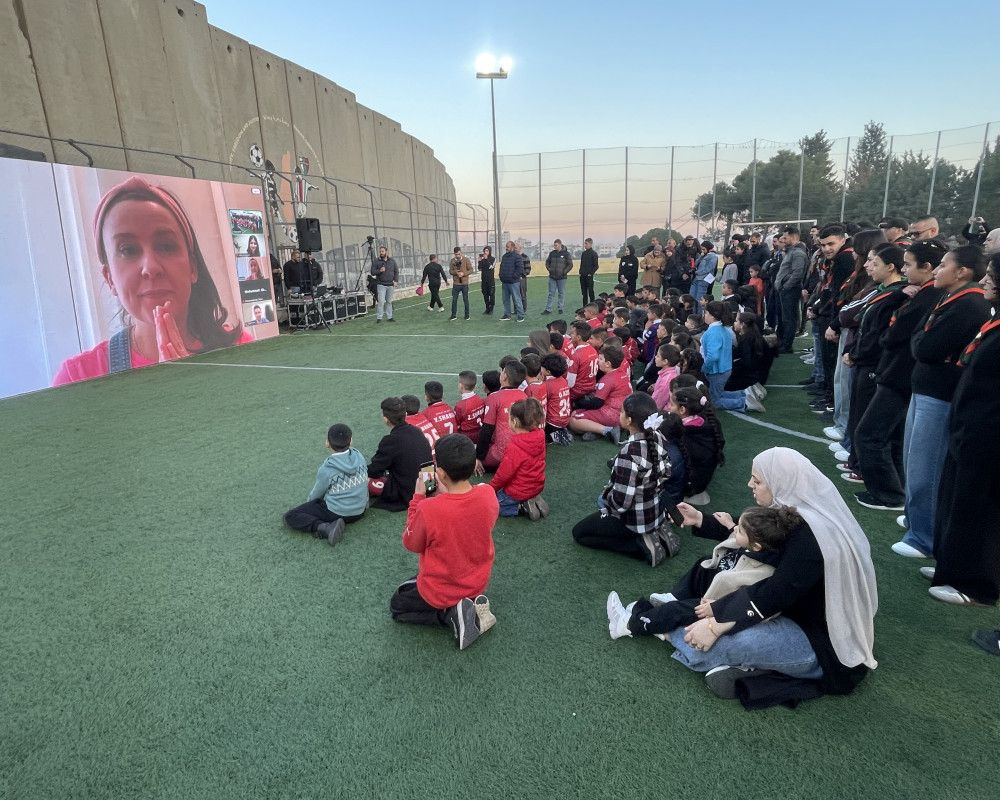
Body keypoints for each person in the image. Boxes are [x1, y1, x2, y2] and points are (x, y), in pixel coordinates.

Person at [652, 447, 877, 705]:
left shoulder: (811, 538)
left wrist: (717, 623)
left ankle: (665, 626)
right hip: (787, 612)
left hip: (817, 638)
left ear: (780, 483)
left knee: (724, 641)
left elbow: (774, 594)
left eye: (757, 481)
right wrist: (701, 520)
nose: (750, 484)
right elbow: (756, 535)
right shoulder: (794, 509)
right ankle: (740, 658)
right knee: (718, 571)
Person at [53, 176, 249, 386]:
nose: (151, 267)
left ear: (192, 267)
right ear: (109, 278)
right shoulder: (77, 380)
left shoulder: (244, 351)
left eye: (166, 246)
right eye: (129, 250)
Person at [894, 246, 990, 558]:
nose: (936, 270)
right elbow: (920, 339)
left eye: (944, 265)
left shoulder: (970, 304)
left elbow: (926, 348)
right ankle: (916, 520)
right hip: (925, 388)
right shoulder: (949, 297)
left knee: (927, 468)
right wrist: (925, 343)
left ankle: (924, 537)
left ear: (962, 271)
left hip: (940, 395)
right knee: (913, 461)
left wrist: (925, 344)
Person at [606, 505, 796, 639]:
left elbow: (746, 601)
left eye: (740, 530)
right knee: (704, 565)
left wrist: (719, 608)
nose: (736, 528)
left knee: (675, 611)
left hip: (716, 608)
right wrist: (730, 526)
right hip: (715, 597)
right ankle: (671, 598)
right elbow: (740, 539)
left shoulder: (764, 572)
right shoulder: (759, 547)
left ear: (756, 546)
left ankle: (628, 625)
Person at [930, 254, 1000, 607]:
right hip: (969, 430)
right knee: (958, 502)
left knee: (980, 511)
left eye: (993, 276)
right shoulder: (995, 320)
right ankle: (952, 568)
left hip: (988, 438)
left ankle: (976, 585)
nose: (985, 280)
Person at [853, 242, 943, 511]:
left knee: (870, 434)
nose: (904, 270)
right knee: (888, 435)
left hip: (899, 375)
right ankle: (895, 489)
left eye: (908, 265)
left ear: (926, 267)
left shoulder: (930, 295)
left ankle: (888, 494)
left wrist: (888, 332)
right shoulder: (920, 292)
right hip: (898, 373)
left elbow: (894, 334)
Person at [389, 434, 499, 650]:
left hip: (443, 589)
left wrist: (418, 498)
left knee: (397, 604)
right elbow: (464, 516)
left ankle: (451, 615)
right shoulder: (488, 493)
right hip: (477, 582)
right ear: (473, 465)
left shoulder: (429, 509)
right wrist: (446, 493)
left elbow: (411, 543)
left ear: (440, 473)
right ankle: (466, 605)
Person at [571, 392, 678, 566]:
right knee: (602, 506)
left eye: (621, 412)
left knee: (580, 533)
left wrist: (607, 498)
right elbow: (666, 473)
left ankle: (638, 545)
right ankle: (655, 531)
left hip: (633, 517)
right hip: (654, 508)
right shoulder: (659, 437)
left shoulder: (629, 454)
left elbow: (621, 504)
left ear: (628, 421)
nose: (619, 414)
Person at [283, 423, 368, 545]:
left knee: (290, 516)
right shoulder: (359, 456)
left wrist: (309, 505)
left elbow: (316, 495)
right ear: (351, 441)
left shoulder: (327, 468)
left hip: (337, 513)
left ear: (327, 443)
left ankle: (325, 528)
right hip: (360, 511)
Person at [367, 397, 433, 512]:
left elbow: (374, 471)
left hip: (409, 492)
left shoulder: (390, 440)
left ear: (385, 419)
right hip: (429, 484)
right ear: (405, 414)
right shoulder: (417, 431)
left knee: (364, 479)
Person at [489, 398, 549, 520]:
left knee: (491, 506)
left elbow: (504, 475)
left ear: (515, 422)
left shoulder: (514, 447)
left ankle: (521, 507)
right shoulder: (540, 435)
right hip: (536, 484)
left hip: (518, 490)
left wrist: (491, 488)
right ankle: (532, 498)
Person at [569, 345, 631, 441]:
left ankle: (608, 431)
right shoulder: (621, 373)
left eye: (601, 359)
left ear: (608, 364)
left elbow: (597, 403)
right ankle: (598, 430)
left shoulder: (608, 379)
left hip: (612, 414)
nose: (598, 361)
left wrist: (577, 404)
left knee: (573, 421)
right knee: (574, 413)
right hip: (622, 414)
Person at [476, 360, 528, 471]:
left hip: (500, 454)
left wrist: (479, 457)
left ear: (504, 376)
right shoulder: (524, 396)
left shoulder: (494, 398)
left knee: (465, 455)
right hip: (522, 451)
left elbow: (487, 429)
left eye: (502, 371)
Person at [774, 227, 809, 353]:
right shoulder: (791, 251)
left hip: (790, 291)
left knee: (789, 319)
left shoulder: (798, 253)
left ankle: (787, 346)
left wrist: (786, 286)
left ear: (793, 237)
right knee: (785, 318)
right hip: (786, 290)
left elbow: (797, 274)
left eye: (785, 237)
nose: (783, 240)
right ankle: (782, 343)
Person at [543, 239, 573, 314]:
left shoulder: (566, 254)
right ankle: (548, 309)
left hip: (562, 278)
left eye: (556, 245)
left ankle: (560, 308)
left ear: (560, 245)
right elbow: (547, 262)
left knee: (561, 293)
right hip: (552, 277)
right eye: (554, 245)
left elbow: (570, 264)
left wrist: (564, 272)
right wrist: (549, 269)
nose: (554, 246)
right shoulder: (552, 253)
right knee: (551, 294)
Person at [498, 241, 525, 322]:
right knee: (505, 300)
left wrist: (514, 276)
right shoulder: (504, 256)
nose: (506, 248)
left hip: (513, 282)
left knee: (516, 299)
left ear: (512, 247)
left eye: (508, 246)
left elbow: (520, 268)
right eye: (506, 246)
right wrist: (501, 275)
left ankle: (521, 316)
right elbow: (501, 267)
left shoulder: (517, 256)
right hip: (505, 282)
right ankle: (507, 315)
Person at [371, 245, 397, 323]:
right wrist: (380, 270)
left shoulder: (392, 261)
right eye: (380, 251)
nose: (381, 253)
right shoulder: (377, 261)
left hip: (390, 284)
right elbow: (372, 272)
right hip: (381, 284)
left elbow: (396, 271)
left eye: (382, 251)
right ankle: (379, 317)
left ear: (386, 252)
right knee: (381, 301)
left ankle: (390, 317)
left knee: (389, 301)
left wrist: (395, 280)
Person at [449, 247, 473, 320]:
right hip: (456, 284)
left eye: (459, 254)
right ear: (454, 254)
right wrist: (455, 272)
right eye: (456, 254)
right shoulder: (452, 261)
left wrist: (463, 274)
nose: (457, 256)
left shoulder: (466, 260)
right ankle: (453, 315)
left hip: (464, 283)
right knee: (454, 300)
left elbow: (471, 270)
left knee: (465, 299)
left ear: (461, 253)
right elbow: (450, 271)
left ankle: (467, 315)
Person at [580, 238, 599, 305]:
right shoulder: (583, 253)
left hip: (589, 276)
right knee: (584, 293)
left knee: (591, 291)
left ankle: (592, 305)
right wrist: (580, 272)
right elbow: (582, 264)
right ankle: (584, 306)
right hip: (582, 276)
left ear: (590, 244)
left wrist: (590, 273)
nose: (585, 245)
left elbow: (596, 266)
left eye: (586, 243)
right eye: (584, 243)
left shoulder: (594, 254)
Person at [478, 246, 496, 315]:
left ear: (490, 251)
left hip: (490, 280)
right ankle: (487, 308)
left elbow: (491, 267)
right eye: (485, 251)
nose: (485, 252)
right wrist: (479, 261)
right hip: (484, 280)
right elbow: (479, 268)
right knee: (485, 294)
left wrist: (487, 259)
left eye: (487, 251)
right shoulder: (483, 260)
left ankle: (491, 308)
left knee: (491, 294)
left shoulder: (493, 259)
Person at [515, 242, 530, 311]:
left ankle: (523, 309)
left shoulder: (525, 257)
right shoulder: (514, 257)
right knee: (515, 295)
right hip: (515, 279)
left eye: (516, 248)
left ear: (520, 248)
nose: (515, 249)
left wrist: (522, 276)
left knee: (523, 295)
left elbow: (528, 269)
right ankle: (516, 309)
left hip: (522, 279)